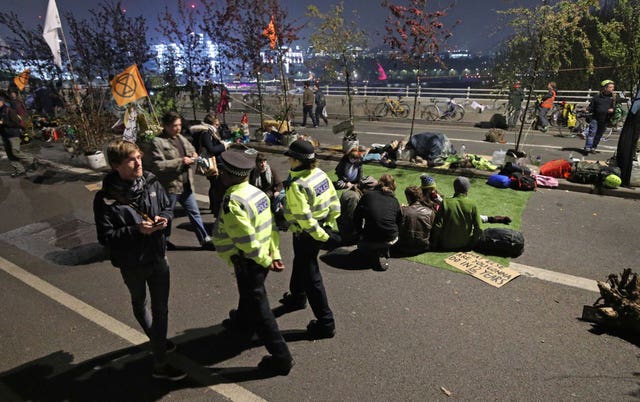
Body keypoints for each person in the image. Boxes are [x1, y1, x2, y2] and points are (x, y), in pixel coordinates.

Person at [93, 140, 186, 381]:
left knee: (161, 310)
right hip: (132, 264)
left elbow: (167, 207)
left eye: (139, 157)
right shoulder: (105, 199)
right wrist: (137, 230)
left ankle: (160, 361)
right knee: (139, 302)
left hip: (158, 257)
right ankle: (157, 339)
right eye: (131, 160)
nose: (138, 163)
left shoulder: (152, 181)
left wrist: (164, 219)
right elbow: (106, 237)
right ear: (116, 166)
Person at [212, 150, 294, 376]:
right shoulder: (257, 194)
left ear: (228, 176)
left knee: (261, 309)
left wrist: (266, 260)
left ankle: (281, 357)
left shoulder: (232, 201)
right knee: (248, 295)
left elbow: (245, 240)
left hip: (249, 261)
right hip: (260, 257)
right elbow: (271, 228)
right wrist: (274, 254)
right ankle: (242, 323)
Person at [279, 139, 340, 339]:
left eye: (291, 157)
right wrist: (329, 224)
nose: (288, 159)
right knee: (302, 262)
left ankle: (326, 323)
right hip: (320, 226)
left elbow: (304, 219)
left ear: (297, 161)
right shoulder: (320, 174)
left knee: (311, 275)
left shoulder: (296, 185)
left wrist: (321, 236)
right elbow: (333, 200)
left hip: (308, 233)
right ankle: (297, 296)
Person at [147, 111, 212, 249]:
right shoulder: (157, 142)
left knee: (194, 213)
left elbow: (191, 149)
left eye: (179, 125)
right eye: (174, 125)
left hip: (186, 185)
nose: (178, 128)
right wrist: (181, 161)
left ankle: (205, 239)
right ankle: (163, 241)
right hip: (171, 187)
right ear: (166, 126)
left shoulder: (180, 138)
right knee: (167, 215)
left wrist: (193, 154)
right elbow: (158, 165)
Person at [353, 173, 402, 271]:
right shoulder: (395, 201)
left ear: (379, 183)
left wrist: (360, 232)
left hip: (369, 237)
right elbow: (399, 222)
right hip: (390, 237)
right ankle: (383, 248)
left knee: (361, 247)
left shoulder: (367, 196)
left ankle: (374, 250)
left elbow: (356, 216)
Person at [189, 114, 230, 215]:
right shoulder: (206, 133)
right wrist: (223, 146)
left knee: (214, 185)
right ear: (211, 123)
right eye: (216, 124)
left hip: (215, 162)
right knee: (216, 186)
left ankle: (213, 206)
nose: (218, 126)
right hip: (212, 163)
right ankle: (215, 208)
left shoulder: (210, 132)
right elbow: (211, 149)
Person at [430, 176, 483, 251]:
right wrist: (472, 243)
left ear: (454, 188)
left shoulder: (445, 202)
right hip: (465, 244)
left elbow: (437, 226)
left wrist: (434, 243)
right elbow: (479, 228)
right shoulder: (472, 204)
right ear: (467, 189)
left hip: (445, 244)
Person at [391, 185, 435, 256]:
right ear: (420, 196)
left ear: (408, 197)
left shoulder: (402, 211)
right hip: (422, 247)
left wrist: (401, 209)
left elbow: (394, 226)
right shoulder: (430, 212)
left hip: (403, 247)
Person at [0, 96, 37, 177]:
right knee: (10, 154)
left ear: (1, 102)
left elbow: (16, 123)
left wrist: (4, 123)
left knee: (15, 151)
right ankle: (20, 170)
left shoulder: (9, 110)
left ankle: (31, 160)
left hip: (13, 134)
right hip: (5, 136)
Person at [337, 176, 378, 246]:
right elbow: (351, 219)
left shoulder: (354, 190)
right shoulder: (354, 198)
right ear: (365, 189)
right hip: (348, 232)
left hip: (346, 226)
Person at [584, 79, 616, 154]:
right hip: (595, 118)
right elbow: (591, 107)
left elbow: (616, 108)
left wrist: (613, 110)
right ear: (605, 88)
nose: (612, 89)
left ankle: (593, 147)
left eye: (613, 87)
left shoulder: (613, 98)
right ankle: (588, 147)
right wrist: (587, 110)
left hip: (605, 119)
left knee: (599, 135)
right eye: (610, 87)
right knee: (592, 132)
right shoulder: (597, 97)